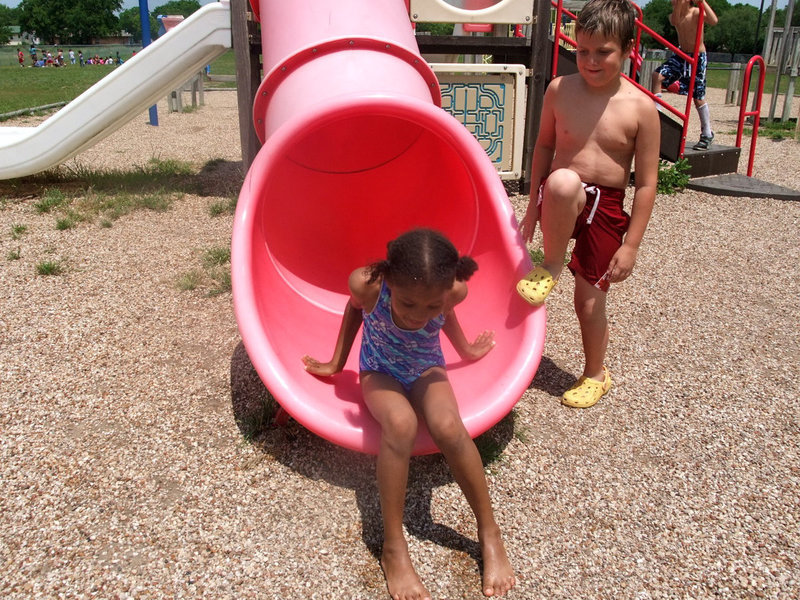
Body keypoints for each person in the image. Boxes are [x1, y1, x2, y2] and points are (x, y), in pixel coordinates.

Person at [303, 228, 515, 599]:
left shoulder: (453, 291)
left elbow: (446, 313)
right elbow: (353, 311)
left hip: (426, 366)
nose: (421, 314)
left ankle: (490, 533)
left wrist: (464, 350)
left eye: (431, 305)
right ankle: (393, 547)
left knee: (449, 426)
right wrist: (337, 362)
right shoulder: (368, 285)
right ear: (388, 281)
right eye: (409, 304)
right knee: (401, 423)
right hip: (379, 369)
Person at [517, 0, 659, 409]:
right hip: (564, 198)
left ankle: (596, 374)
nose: (591, 61)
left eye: (603, 52)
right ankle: (552, 264)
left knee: (589, 302)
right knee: (562, 181)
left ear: (628, 49)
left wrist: (631, 245)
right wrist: (531, 209)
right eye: (583, 51)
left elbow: (647, 184)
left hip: (607, 207)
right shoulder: (560, 90)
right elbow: (544, 146)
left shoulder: (640, 108)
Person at [650, 0, 718, 150]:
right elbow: (675, 21)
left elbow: (713, 21)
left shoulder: (696, 12)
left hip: (698, 56)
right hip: (682, 55)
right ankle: (658, 114)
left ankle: (707, 133)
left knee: (697, 97)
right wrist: (679, 4)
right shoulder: (674, 15)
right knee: (657, 75)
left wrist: (702, 2)